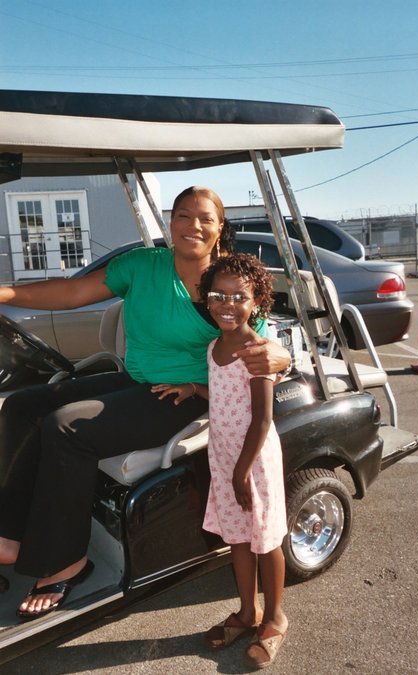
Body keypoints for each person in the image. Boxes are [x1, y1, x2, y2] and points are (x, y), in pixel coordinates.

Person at [0, 185, 291, 621]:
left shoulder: (230, 284)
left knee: (67, 427)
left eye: (205, 218)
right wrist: (5, 293)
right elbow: (71, 293)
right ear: (170, 222)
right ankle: (10, 536)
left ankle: (66, 560)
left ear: (219, 228)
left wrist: (282, 357)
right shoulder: (142, 266)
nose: (193, 225)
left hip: (187, 395)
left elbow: (264, 345)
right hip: (137, 380)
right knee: (23, 405)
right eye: (183, 215)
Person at [152, 253, 288, 669]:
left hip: (254, 461)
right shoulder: (214, 347)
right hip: (225, 456)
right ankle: (248, 613)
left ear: (257, 302)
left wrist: (242, 472)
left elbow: (263, 418)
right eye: (218, 295)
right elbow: (227, 397)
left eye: (239, 296)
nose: (227, 304)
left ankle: (276, 616)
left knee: (265, 539)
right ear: (206, 300)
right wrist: (194, 388)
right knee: (238, 537)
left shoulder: (257, 351)